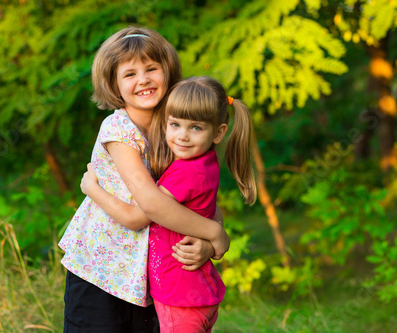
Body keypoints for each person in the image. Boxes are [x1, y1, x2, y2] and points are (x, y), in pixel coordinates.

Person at [58, 27, 230, 333]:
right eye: (130, 74)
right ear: (113, 84)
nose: (144, 79)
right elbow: (145, 210)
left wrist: (207, 242)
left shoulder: (178, 125)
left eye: (152, 68)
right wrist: (215, 233)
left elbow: (200, 188)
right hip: (103, 269)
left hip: (152, 274)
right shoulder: (118, 131)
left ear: (168, 71)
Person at [82, 76, 257, 332]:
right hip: (193, 291)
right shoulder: (204, 161)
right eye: (175, 124)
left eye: (196, 128)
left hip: (181, 296)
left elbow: (142, 214)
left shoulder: (185, 172)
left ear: (219, 133)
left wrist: (91, 189)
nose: (183, 136)